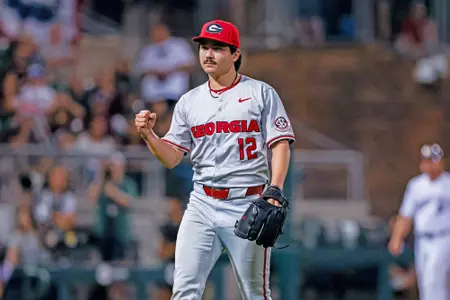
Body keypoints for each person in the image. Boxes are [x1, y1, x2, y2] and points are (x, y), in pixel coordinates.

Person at [135, 20, 295, 299]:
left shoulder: (260, 92)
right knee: (184, 291)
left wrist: (276, 188)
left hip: (247, 202)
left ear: (235, 54)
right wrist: (150, 136)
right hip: (202, 204)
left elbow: (280, 144)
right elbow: (172, 158)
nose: (208, 53)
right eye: (204, 47)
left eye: (217, 48)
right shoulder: (189, 101)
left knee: (256, 293)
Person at [388, 143, 450, 300]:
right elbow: (405, 215)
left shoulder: (448, 184)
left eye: (433, 160)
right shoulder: (416, 186)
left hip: (443, 237)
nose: (429, 164)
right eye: (426, 160)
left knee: (433, 278)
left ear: (441, 162)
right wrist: (397, 238)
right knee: (424, 281)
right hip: (422, 239)